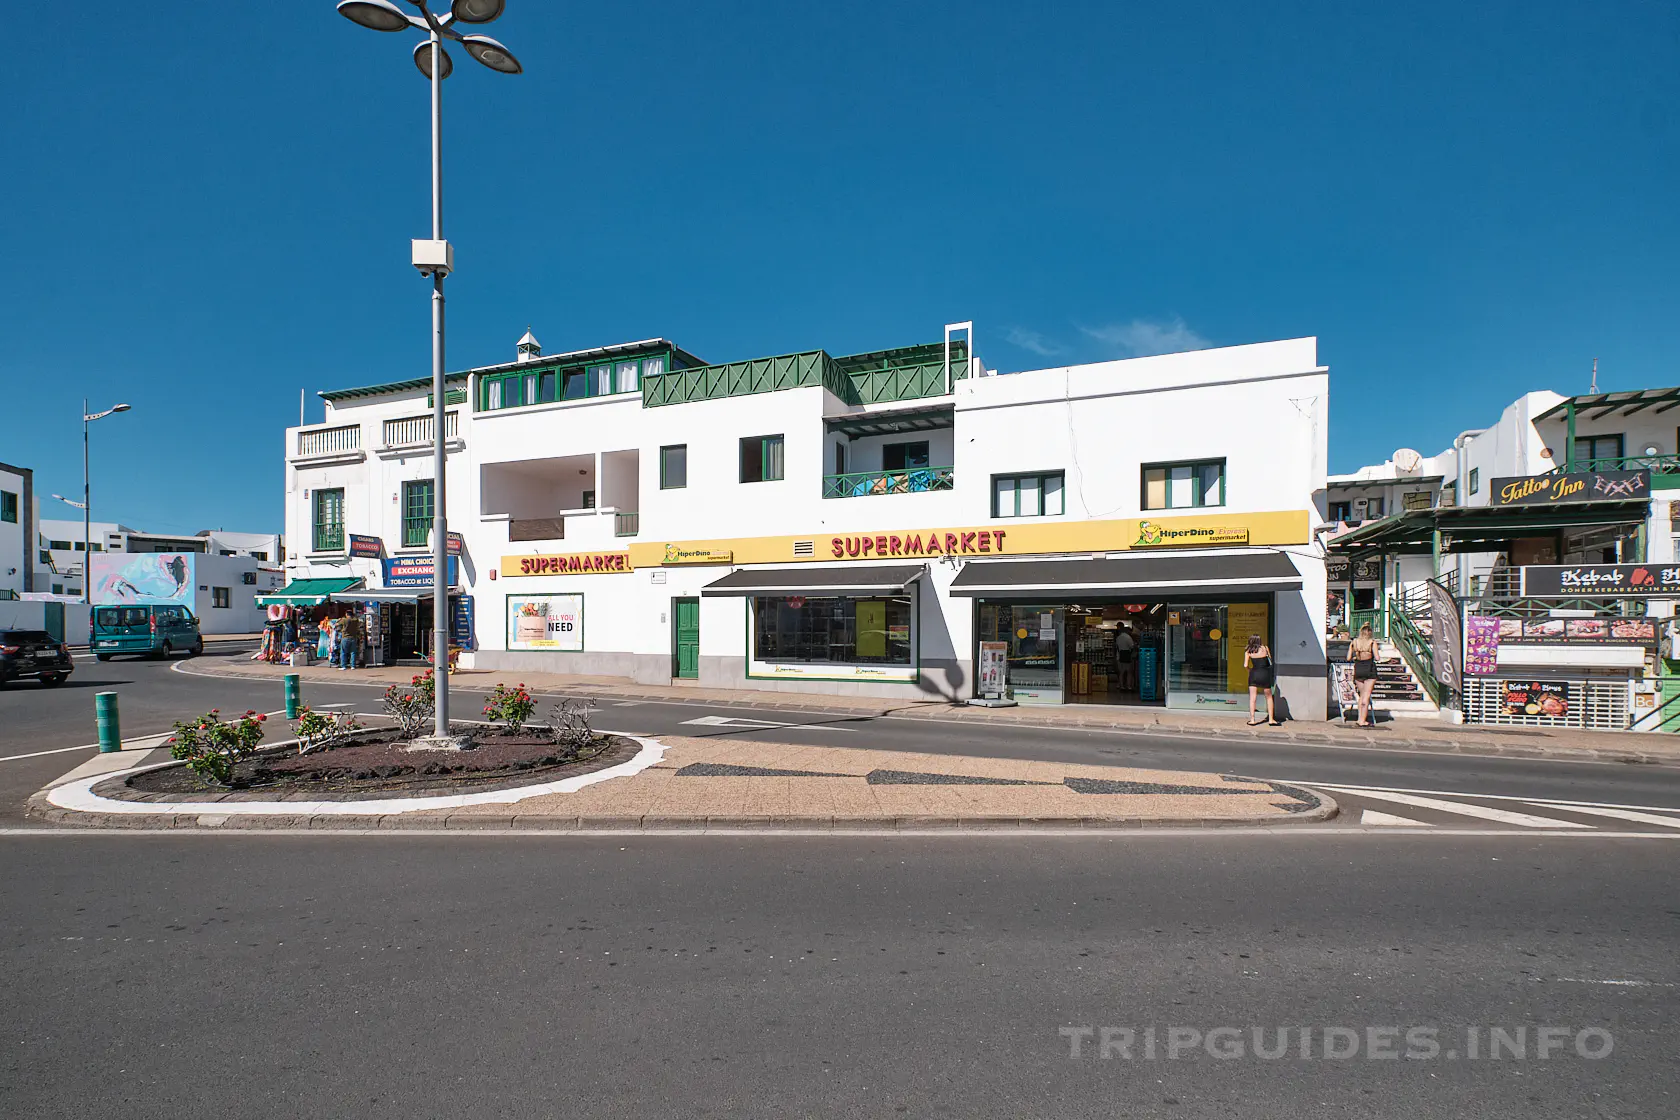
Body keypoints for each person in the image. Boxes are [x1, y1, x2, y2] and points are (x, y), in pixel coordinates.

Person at [1348, 622, 1380, 727]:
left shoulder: (1354, 642)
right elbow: (1377, 657)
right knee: (1366, 697)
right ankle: (1363, 720)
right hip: (1369, 668)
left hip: (1358, 668)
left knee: (1361, 696)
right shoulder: (1372, 642)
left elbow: (1348, 657)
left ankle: (1359, 718)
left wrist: (1355, 656)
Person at [1243, 635, 1278, 726]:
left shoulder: (1248, 651)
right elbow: (1270, 661)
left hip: (1254, 674)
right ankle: (1271, 719)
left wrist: (1250, 670)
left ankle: (1252, 720)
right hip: (1264, 674)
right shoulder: (1265, 648)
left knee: (1252, 698)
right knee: (1269, 697)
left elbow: (1245, 665)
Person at [1113, 624, 1137, 693]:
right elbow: (1132, 646)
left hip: (1120, 657)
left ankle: (1122, 686)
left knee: (1121, 672)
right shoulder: (1128, 637)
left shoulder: (1118, 638)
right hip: (1128, 657)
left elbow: (1116, 647)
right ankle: (1129, 686)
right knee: (1129, 672)